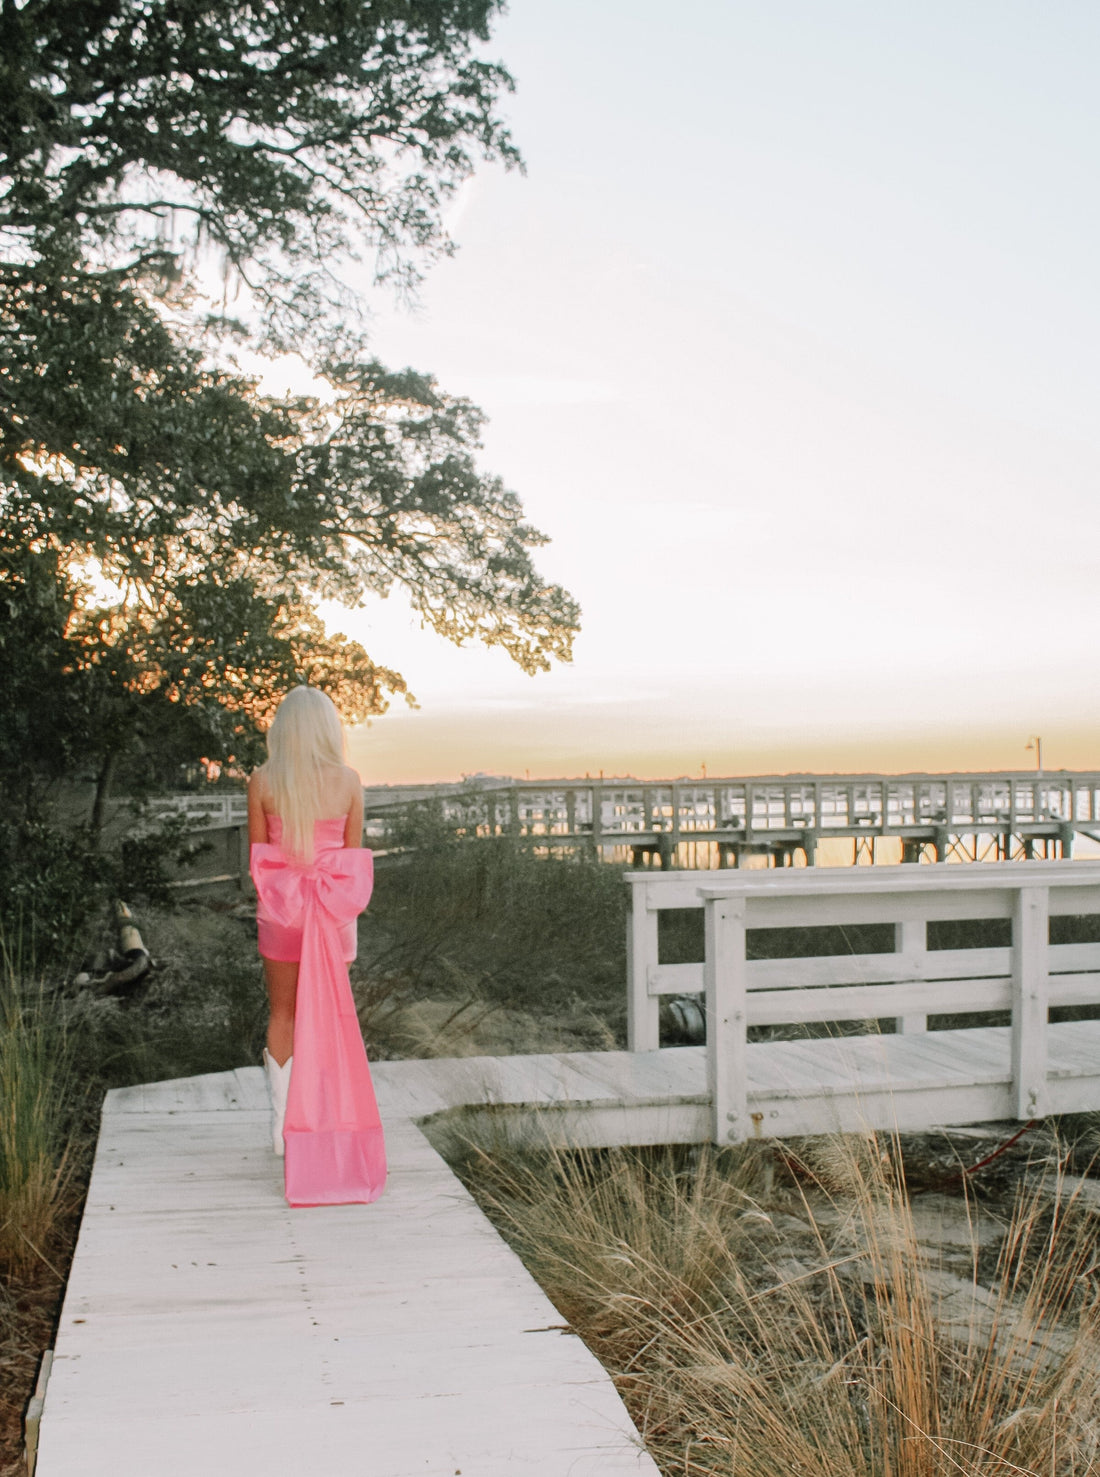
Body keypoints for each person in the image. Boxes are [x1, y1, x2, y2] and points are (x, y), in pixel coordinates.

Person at [247, 686, 386, 1207]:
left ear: (283, 728)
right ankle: (322, 1120)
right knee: (325, 1017)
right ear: (330, 728)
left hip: (283, 908)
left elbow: (258, 859)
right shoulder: (349, 781)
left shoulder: (262, 780)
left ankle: (281, 1125)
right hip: (331, 913)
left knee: (281, 1013)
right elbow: (350, 862)